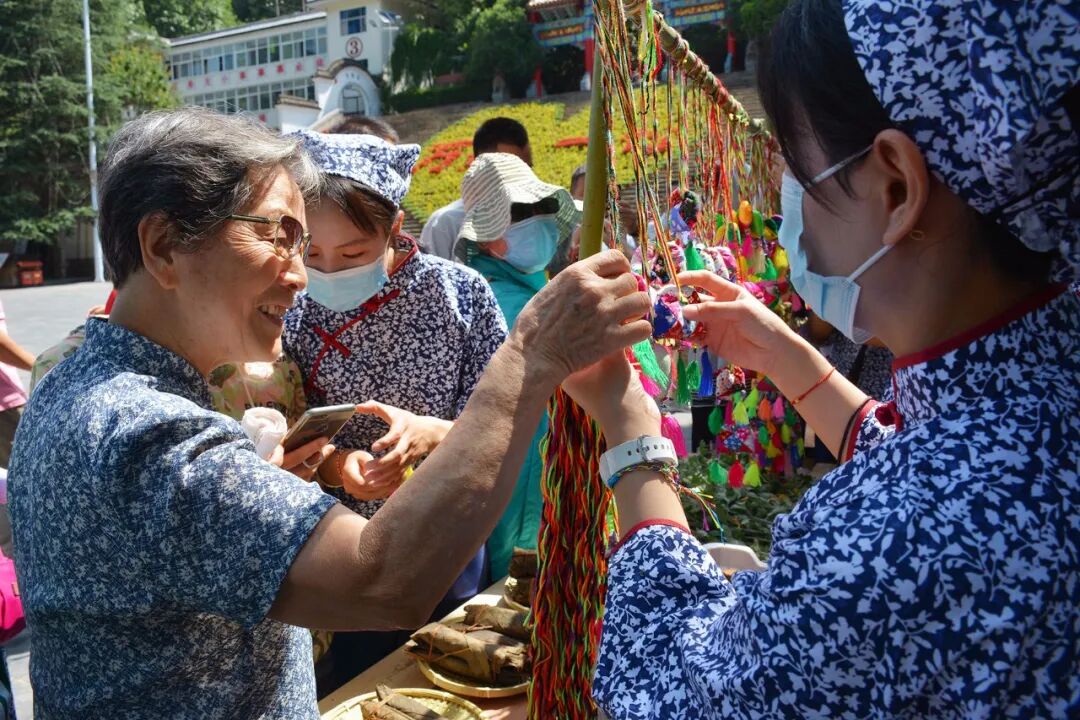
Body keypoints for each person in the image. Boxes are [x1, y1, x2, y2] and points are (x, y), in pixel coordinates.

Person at [8, 107, 650, 718]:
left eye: (307, 243)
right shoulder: (147, 432)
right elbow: (383, 582)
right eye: (280, 237)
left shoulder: (79, 382)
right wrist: (531, 354)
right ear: (164, 246)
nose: (300, 276)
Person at [588, 0, 1079, 716]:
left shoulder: (892, 536)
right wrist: (782, 354)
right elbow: (930, 453)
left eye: (798, 172)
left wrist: (631, 435)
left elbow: (670, 687)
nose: (791, 206)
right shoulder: (1036, 396)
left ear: (896, 186)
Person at [283, 131, 506, 683]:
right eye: (311, 253)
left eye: (353, 254)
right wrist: (337, 466)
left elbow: (506, 420)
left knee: (450, 676)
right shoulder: (290, 306)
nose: (328, 271)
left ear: (395, 226)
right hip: (334, 548)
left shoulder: (462, 296)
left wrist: (433, 433)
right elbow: (282, 427)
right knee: (354, 688)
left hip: (444, 538)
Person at [456, 152, 581, 579]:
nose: (538, 220)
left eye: (541, 207)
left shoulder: (529, 293)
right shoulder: (508, 306)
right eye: (520, 213)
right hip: (522, 504)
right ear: (486, 240)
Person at [419, 117, 533, 261]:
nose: (522, 179)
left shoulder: (536, 221)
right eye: (511, 170)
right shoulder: (445, 224)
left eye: (527, 169)